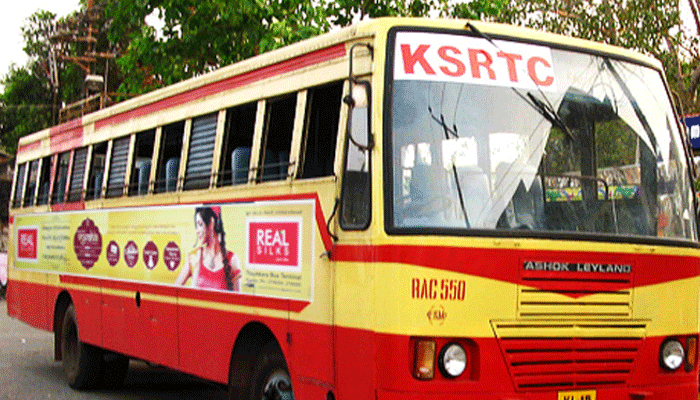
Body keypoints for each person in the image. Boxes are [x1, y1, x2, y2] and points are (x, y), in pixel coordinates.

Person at [175, 206, 241, 291]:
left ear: (211, 222)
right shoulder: (194, 257)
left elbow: (237, 297)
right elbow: (174, 292)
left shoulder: (232, 259)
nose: (197, 231)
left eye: (200, 224)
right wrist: (196, 269)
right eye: (196, 226)